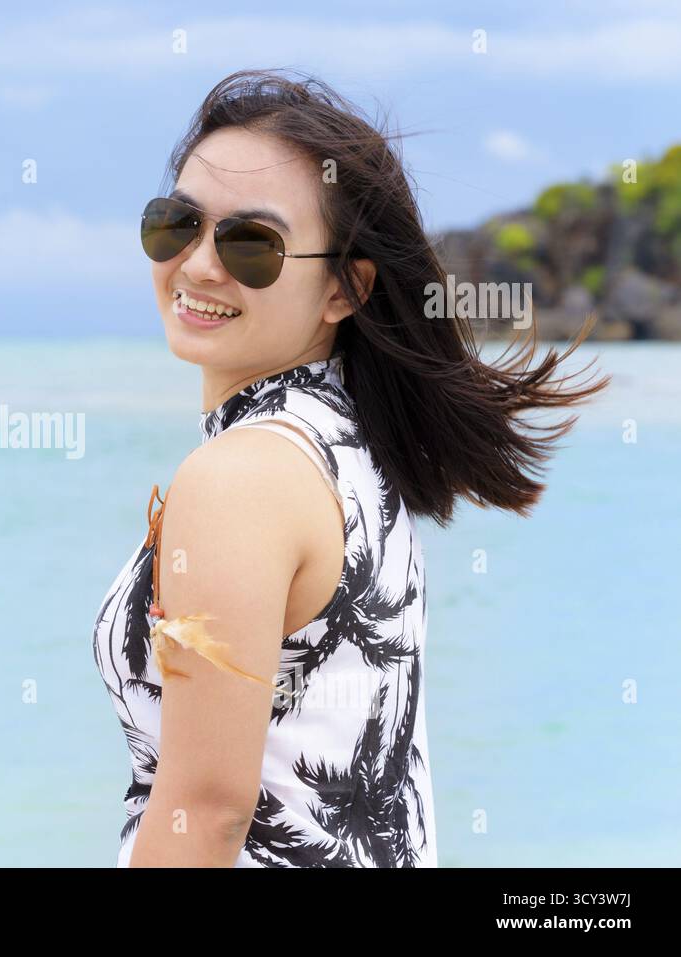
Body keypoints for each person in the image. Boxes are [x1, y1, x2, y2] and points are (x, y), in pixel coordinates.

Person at [91, 69, 609, 867]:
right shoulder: (354, 447)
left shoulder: (241, 477)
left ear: (345, 288)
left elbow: (211, 810)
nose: (197, 265)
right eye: (177, 222)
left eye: (251, 244)